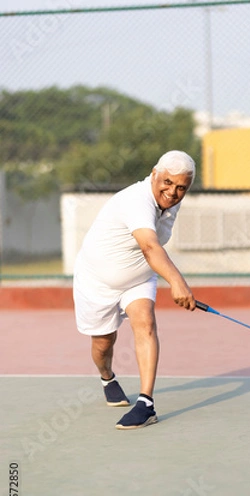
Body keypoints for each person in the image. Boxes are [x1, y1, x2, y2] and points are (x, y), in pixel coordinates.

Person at [73, 150, 197, 430]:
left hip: (138, 278)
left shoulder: (171, 202)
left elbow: (151, 250)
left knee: (146, 324)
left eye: (181, 187)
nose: (173, 192)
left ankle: (146, 404)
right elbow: (150, 245)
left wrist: (169, 278)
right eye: (167, 182)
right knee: (103, 343)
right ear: (154, 174)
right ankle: (107, 377)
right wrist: (177, 282)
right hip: (97, 281)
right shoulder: (136, 200)